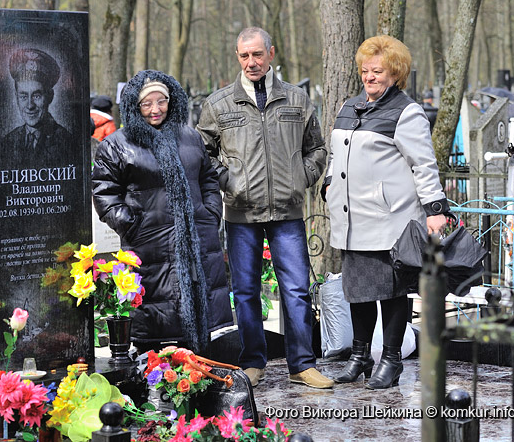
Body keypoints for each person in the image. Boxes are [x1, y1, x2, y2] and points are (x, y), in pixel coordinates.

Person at [197, 27, 332, 389]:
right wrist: (230, 182)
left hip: (287, 211)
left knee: (296, 289)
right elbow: (203, 153)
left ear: (271, 54)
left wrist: (299, 178)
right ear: (237, 57)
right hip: (241, 213)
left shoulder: (296, 99)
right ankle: (253, 361)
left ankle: (302, 363)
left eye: (258, 54)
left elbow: (317, 148)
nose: (252, 62)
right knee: (244, 290)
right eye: (245, 56)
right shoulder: (219, 104)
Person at [324, 35, 449, 389]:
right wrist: (329, 183)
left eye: (377, 71)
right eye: (365, 71)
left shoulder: (406, 112)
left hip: (389, 218)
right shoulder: (350, 107)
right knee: (358, 291)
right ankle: (361, 356)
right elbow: (336, 156)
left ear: (395, 74)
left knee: (392, 292)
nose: (369, 77)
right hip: (352, 219)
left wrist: (435, 209)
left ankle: (391, 360)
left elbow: (423, 165)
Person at [92, 70, 233, 353]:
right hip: (149, 243)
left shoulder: (189, 138)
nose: (155, 109)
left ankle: (196, 373)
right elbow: (104, 192)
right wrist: (131, 223)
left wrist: (211, 212)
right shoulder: (117, 144)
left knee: (199, 308)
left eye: (162, 101)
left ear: (172, 101)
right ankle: (160, 377)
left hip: (198, 238)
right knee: (157, 319)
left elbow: (207, 178)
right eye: (147, 103)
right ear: (135, 105)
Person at [1, 48, 72, 166]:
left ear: (50, 97)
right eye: (23, 96)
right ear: (16, 97)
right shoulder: (8, 142)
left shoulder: (67, 142)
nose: (30, 106)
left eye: (37, 96)